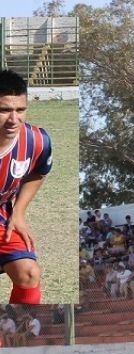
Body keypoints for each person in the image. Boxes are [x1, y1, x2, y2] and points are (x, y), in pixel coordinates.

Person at [0, 70, 54, 305]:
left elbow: (39, 171)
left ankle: (19, 339)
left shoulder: (36, 141)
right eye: (4, 110)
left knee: (29, 273)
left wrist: (19, 212)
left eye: (20, 110)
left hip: (2, 213)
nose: (13, 119)